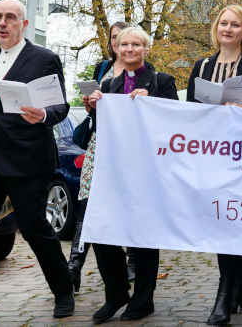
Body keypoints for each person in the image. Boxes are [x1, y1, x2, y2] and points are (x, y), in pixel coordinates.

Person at [0, 0, 75, 326]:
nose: (2, 23)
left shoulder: (44, 59)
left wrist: (43, 114)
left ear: (24, 24)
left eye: (10, 17)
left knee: (35, 230)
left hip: (27, 160)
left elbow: (60, 107)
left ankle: (63, 287)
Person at [185, 4, 242, 325]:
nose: (228, 28)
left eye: (235, 24)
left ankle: (226, 293)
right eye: (223, 23)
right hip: (213, 155)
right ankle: (238, 286)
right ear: (216, 28)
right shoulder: (203, 65)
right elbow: (190, 110)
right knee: (223, 221)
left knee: (238, 219)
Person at [84, 26, 178, 323]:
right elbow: (101, 126)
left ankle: (143, 299)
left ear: (146, 49)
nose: (129, 49)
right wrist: (92, 107)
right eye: (125, 44)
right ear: (117, 48)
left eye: (136, 44)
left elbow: (176, 120)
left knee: (144, 234)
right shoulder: (109, 84)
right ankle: (115, 294)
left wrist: (152, 100)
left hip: (148, 169)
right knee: (102, 231)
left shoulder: (162, 81)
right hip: (114, 169)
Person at [68, 21, 129, 292]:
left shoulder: (141, 71)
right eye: (114, 37)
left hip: (126, 148)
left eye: (122, 37)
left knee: (122, 204)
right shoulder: (103, 68)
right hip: (99, 142)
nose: (117, 42)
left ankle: (131, 261)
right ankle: (74, 265)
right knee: (87, 201)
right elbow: (96, 111)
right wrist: (89, 104)